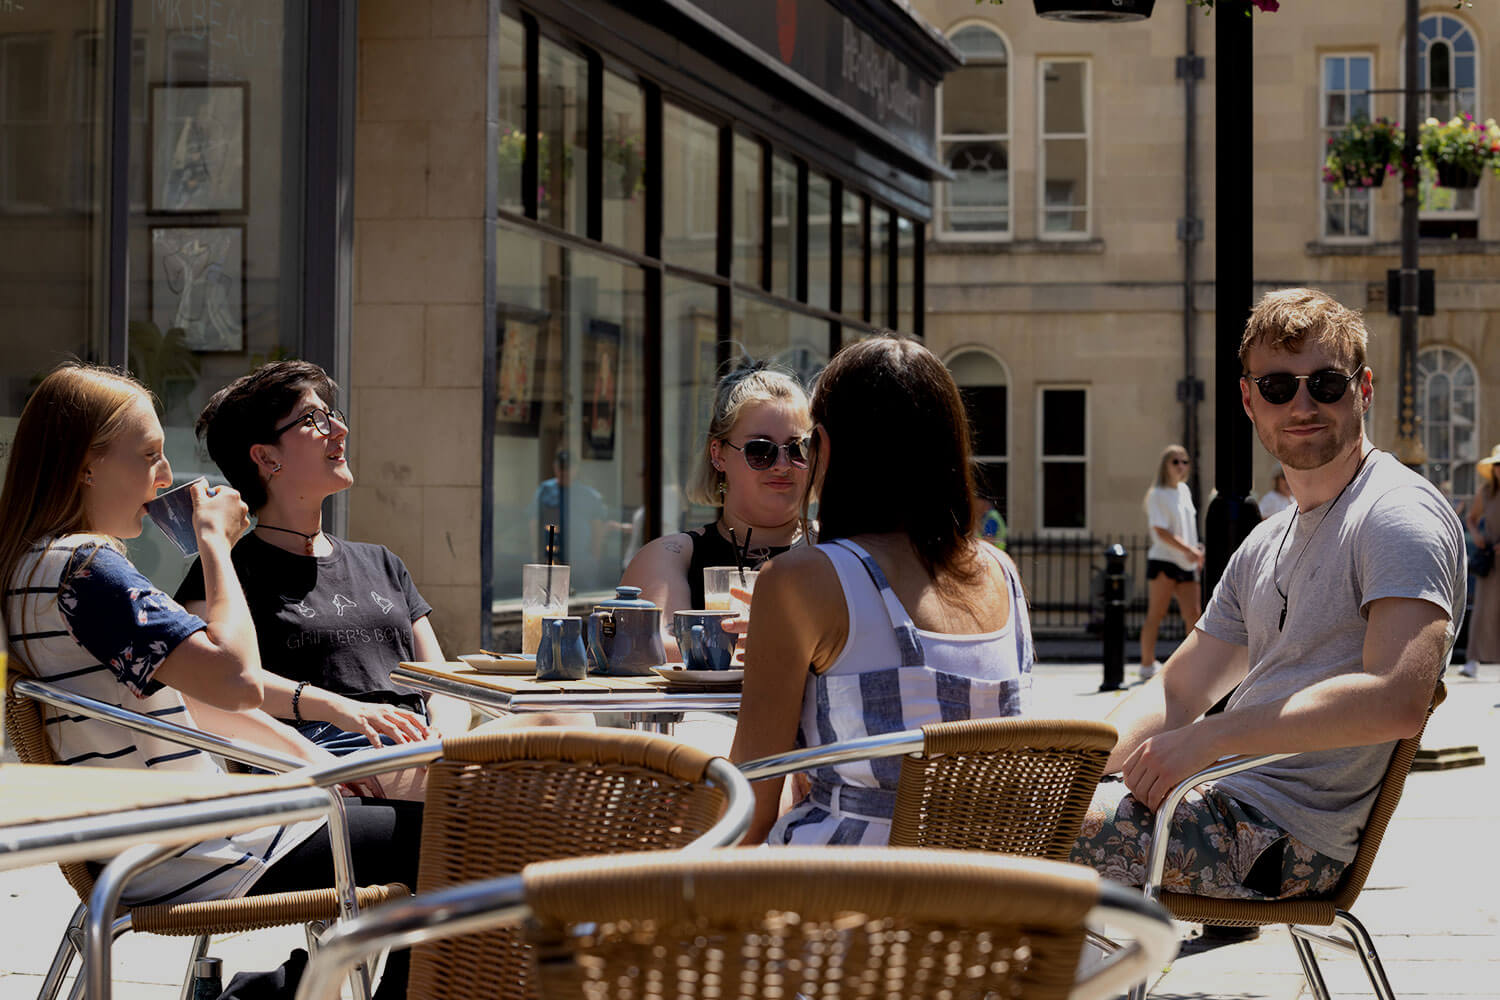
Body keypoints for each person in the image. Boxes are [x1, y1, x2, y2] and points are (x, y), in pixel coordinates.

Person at [0, 364, 421, 998]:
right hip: (192, 854)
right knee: (458, 839)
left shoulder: (39, 568)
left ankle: (282, 989)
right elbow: (235, 679)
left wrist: (316, 750)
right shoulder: (86, 571)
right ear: (87, 465)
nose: (165, 478)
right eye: (149, 456)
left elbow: (204, 695)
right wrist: (216, 547)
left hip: (163, 842)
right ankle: (286, 991)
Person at [1071, 287, 1465, 902]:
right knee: (1005, 810)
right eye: (1279, 387)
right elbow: (1178, 690)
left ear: (1363, 390)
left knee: (1026, 836)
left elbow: (1396, 698)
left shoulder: (1395, 515)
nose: (1302, 403)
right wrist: (1076, 765)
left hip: (1284, 841)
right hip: (1217, 801)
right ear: (1250, 401)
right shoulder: (1269, 538)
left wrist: (1209, 738)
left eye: (1326, 384)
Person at [727, 336, 1035, 845]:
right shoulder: (1001, 573)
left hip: (849, 902)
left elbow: (748, 813)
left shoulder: (801, 580)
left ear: (825, 448)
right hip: (990, 898)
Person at [175, 361, 472, 790]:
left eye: (333, 415)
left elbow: (442, 683)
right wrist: (339, 709)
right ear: (266, 457)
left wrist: (444, 736)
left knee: (561, 723)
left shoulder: (383, 562)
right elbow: (210, 681)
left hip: (421, 746)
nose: (338, 429)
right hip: (329, 758)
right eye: (313, 419)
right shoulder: (225, 572)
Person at [620, 361, 813, 655]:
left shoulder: (841, 547)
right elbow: (647, 648)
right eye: (760, 450)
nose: (782, 465)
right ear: (718, 454)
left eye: (798, 448)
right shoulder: (673, 556)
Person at [1139, 445, 1203, 681]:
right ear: (1165, 465)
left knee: (1194, 614)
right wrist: (1189, 550)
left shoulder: (1184, 491)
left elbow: (1188, 527)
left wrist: (1196, 550)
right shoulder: (1157, 494)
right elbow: (1161, 531)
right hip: (1164, 560)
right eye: (1175, 461)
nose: (1181, 466)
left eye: (1184, 461)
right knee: (1157, 613)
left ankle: (1191, 666)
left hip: (1186, 562)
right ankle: (1147, 664)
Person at [530, 448, 611, 589]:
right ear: (555, 467)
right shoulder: (545, 490)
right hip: (552, 558)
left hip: (581, 559)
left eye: (568, 468)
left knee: (583, 595)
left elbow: (597, 527)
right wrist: (535, 552)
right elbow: (534, 522)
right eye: (560, 468)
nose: (564, 472)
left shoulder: (589, 495)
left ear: (576, 469)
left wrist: (595, 557)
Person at [1461, 445, 1500, 678]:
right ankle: (1472, 660)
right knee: (1483, 610)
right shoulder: (1486, 493)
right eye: (1497, 465)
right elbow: (1472, 519)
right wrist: (1477, 537)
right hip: (1491, 562)